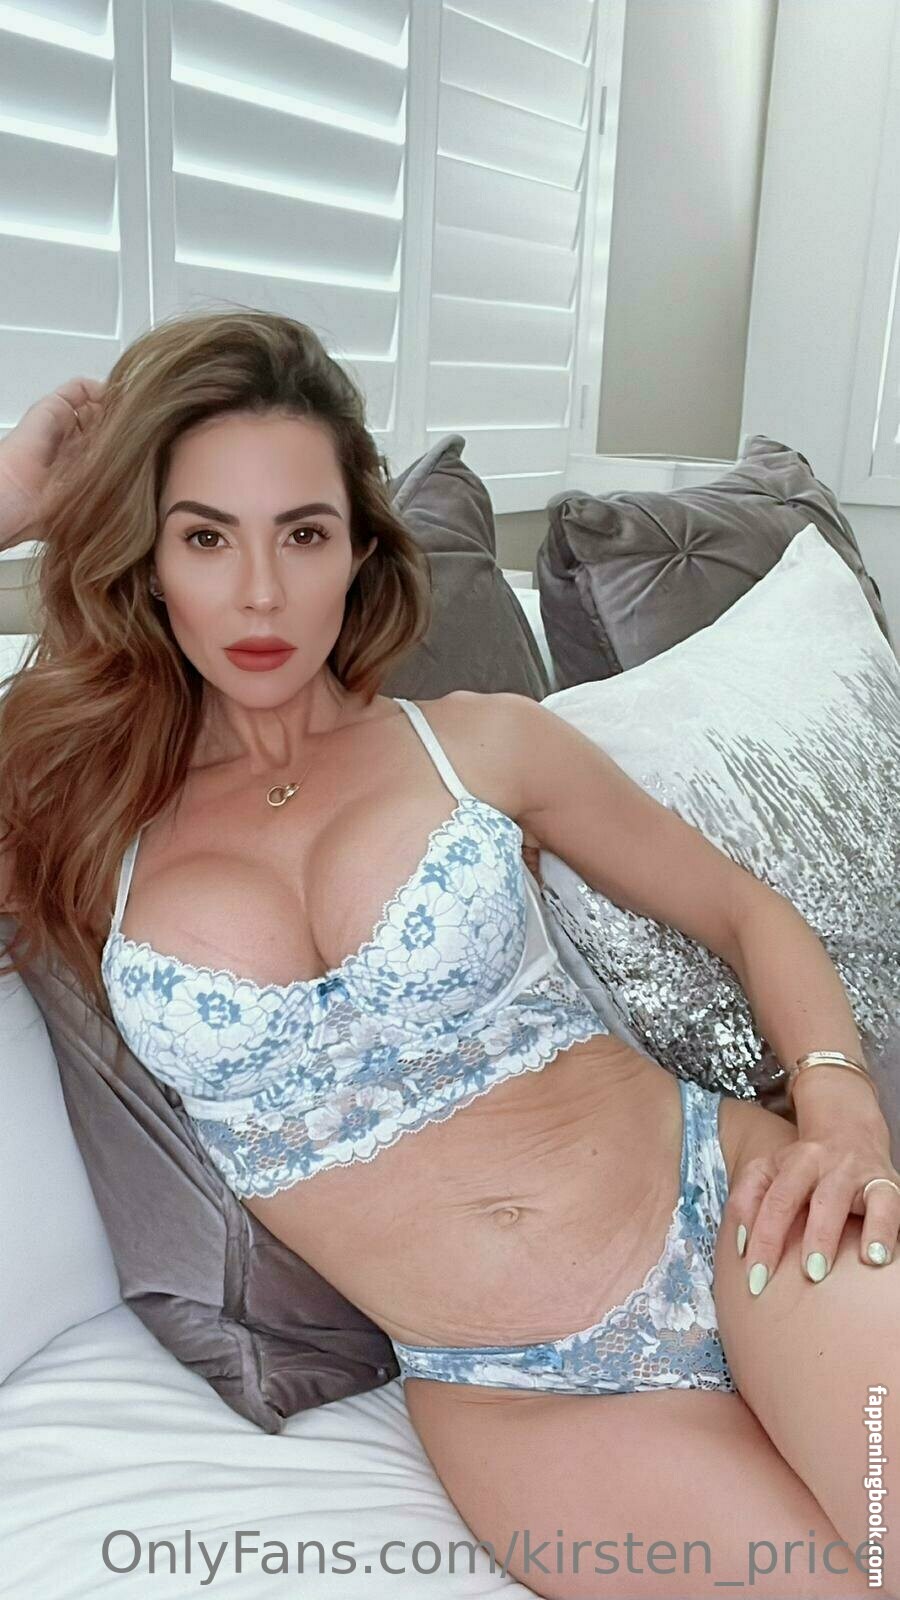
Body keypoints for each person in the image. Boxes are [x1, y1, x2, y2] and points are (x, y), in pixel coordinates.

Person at [0, 310, 897, 1600]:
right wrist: (12, 500)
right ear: (143, 557)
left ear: (358, 547)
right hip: (512, 1391)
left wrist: (842, 1109)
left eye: (303, 533)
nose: (261, 594)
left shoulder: (479, 743)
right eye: (205, 537)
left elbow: (746, 911)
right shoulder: (75, 823)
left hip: (735, 1216)